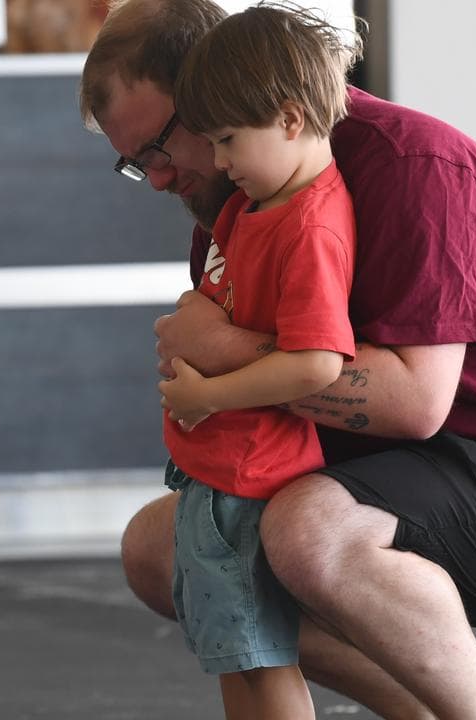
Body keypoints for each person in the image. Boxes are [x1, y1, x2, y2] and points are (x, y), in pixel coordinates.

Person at [79, 1, 476, 718]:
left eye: (160, 148)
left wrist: (222, 355)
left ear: (220, 89)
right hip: (430, 467)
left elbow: (413, 404)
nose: (158, 179)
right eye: (134, 165)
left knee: (310, 530)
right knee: (173, 546)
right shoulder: (235, 209)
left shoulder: (411, 166)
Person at [154, 5, 359, 719]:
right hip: (219, 474)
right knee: (236, 660)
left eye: (229, 140)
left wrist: (211, 395)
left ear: (292, 118)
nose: (218, 163)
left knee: (260, 665)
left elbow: (316, 365)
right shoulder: (262, 203)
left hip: (245, 481)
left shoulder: (309, 229)